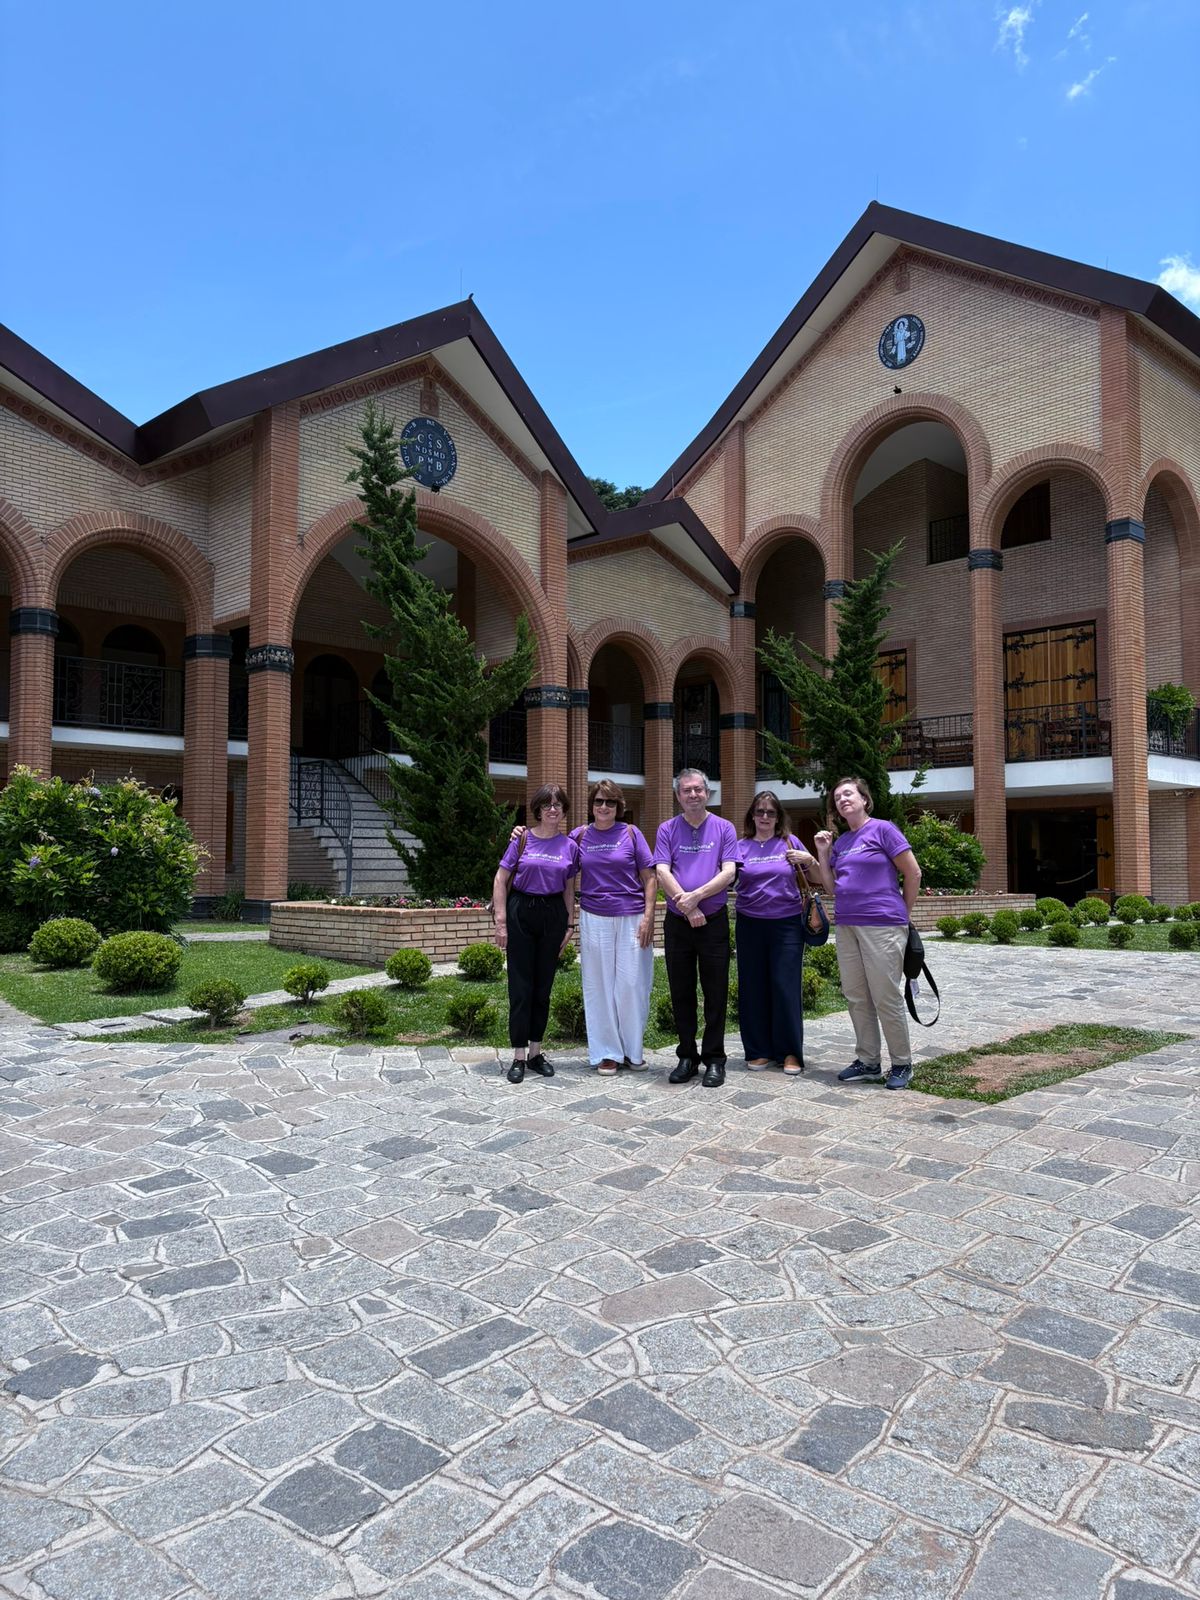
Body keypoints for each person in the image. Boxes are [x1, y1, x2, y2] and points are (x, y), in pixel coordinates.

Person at [810, 775, 922, 1091]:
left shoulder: (883, 830)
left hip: (883, 924)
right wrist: (823, 852)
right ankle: (869, 1061)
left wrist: (903, 914)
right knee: (856, 995)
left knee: (885, 995)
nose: (843, 800)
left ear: (864, 799)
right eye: (837, 798)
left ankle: (902, 1063)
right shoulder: (842, 842)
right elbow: (831, 888)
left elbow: (913, 872)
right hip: (847, 925)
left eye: (848, 794)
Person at [654, 768, 738, 1088]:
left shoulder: (724, 828)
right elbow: (662, 871)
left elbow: (728, 872)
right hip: (678, 924)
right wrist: (687, 907)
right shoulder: (667, 829)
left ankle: (714, 1059)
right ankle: (687, 1056)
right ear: (678, 796)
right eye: (686, 790)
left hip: (713, 922)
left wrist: (696, 898)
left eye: (698, 789)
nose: (693, 795)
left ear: (707, 793)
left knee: (716, 992)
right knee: (681, 991)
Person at [492, 784, 579, 1085]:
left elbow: (569, 888)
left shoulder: (570, 846)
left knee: (543, 988)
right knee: (521, 987)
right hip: (521, 911)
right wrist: (501, 922)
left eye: (557, 805)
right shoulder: (521, 839)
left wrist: (569, 925)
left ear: (564, 810)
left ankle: (535, 1053)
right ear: (538, 810)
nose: (552, 809)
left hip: (553, 914)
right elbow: (500, 879)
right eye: (546, 805)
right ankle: (518, 1055)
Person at [572, 780, 657, 1076]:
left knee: (632, 984)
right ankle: (607, 1052)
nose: (604, 807)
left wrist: (649, 917)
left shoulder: (631, 833)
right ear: (591, 805)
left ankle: (633, 1051)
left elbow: (650, 877)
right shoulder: (580, 835)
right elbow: (554, 858)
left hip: (632, 916)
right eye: (598, 801)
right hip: (594, 917)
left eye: (610, 802)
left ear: (619, 806)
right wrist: (520, 834)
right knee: (599, 986)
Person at [734, 789, 821, 1076]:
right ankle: (758, 1050)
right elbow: (725, 877)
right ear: (752, 815)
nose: (765, 817)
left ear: (778, 817)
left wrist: (810, 860)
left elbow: (817, 879)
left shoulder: (789, 842)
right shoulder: (740, 847)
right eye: (759, 811)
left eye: (770, 812)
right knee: (752, 987)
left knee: (785, 987)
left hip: (786, 924)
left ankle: (790, 1052)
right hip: (749, 923)